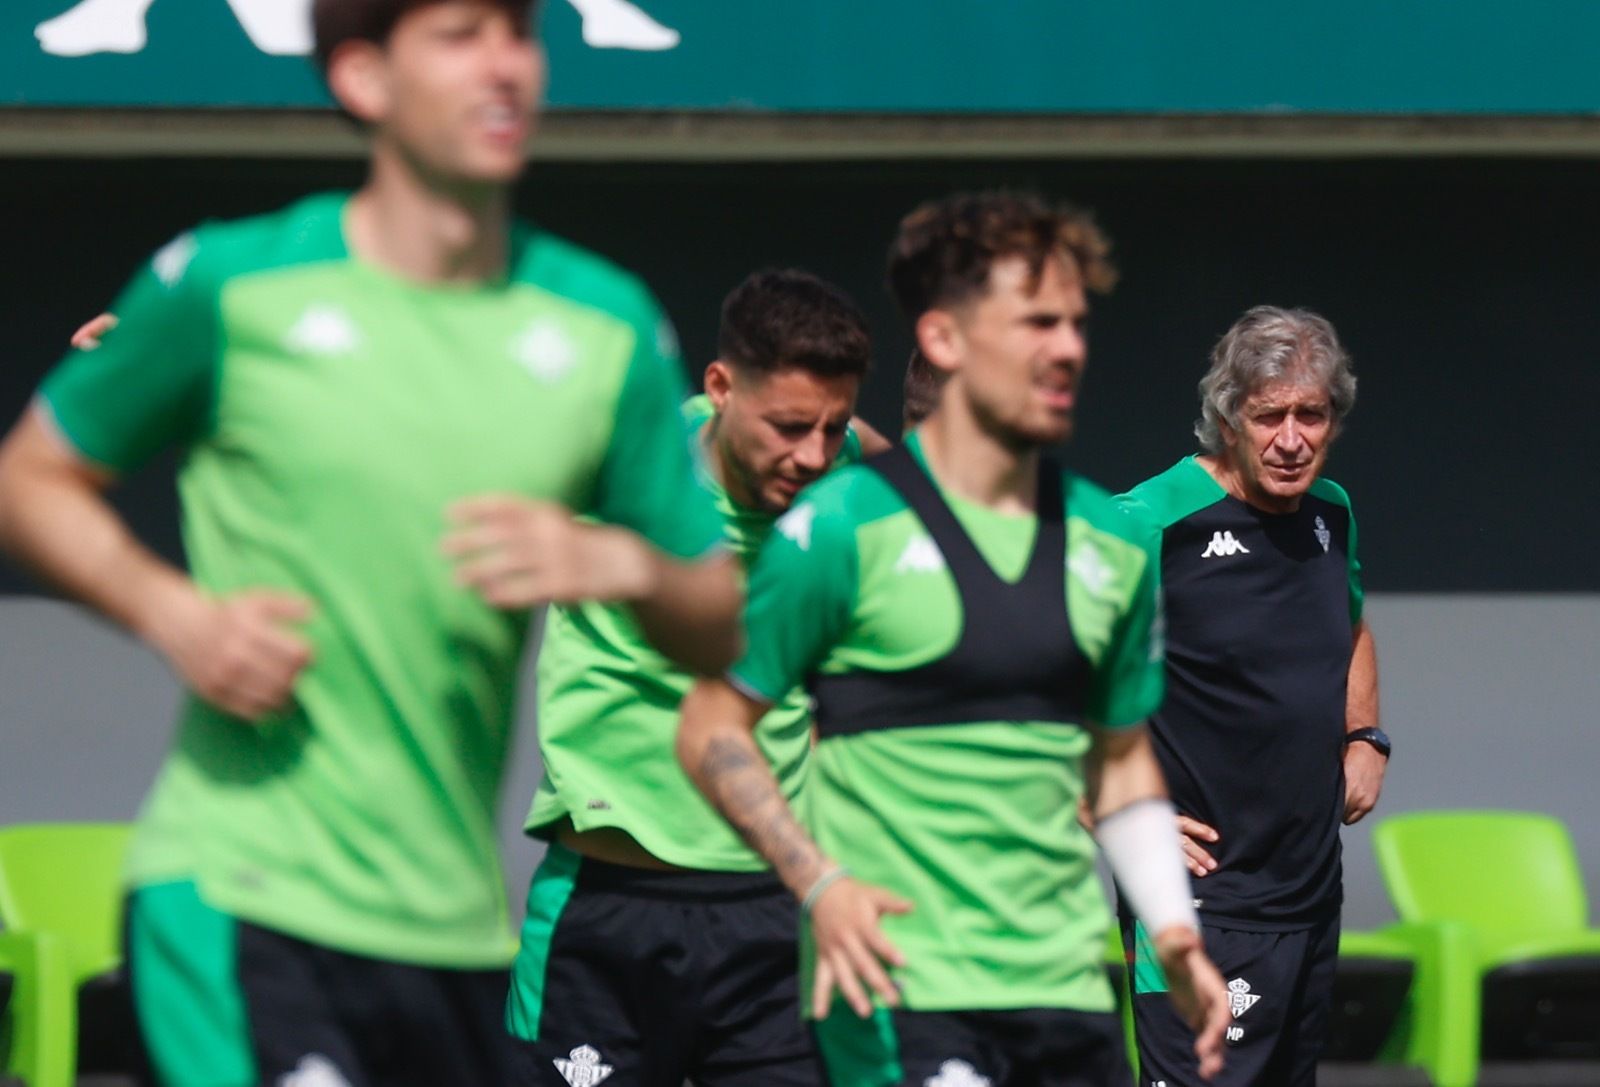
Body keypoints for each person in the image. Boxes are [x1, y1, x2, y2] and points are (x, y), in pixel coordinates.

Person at [0, 1, 739, 1083]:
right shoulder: (230, 282)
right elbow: (31, 477)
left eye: (518, 34)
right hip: (242, 895)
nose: (503, 66)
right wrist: (175, 615)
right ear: (361, 77)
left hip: (454, 933)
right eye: (458, 35)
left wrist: (623, 565)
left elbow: (721, 613)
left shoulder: (603, 325)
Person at [677, 191, 1231, 1087]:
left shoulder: (1109, 544)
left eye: (1076, 323)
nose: (1067, 348)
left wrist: (1172, 932)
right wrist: (819, 882)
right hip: (905, 990)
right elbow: (711, 727)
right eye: (1035, 322)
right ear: (944, 340)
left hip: (1068, 989)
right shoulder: (840, 528)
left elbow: (1122, 760)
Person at [506, 267, 886, 1087]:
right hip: (608, 906)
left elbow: (912, 476)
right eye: (788, 426)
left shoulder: (844, 469)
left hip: (776, 911)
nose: (812, 454)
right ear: (719, 387)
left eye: (833, 425)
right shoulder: (621, 458)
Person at [1116, 305, 1385, 1086]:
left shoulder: (1332, 513)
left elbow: (1354, 626)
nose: (1293, 438)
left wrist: (1364, 734)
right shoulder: (1148, 522)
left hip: (1308, 896)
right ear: (1229, 414)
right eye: (1271, 416)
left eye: (1314, 413)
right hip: (1196, 907)